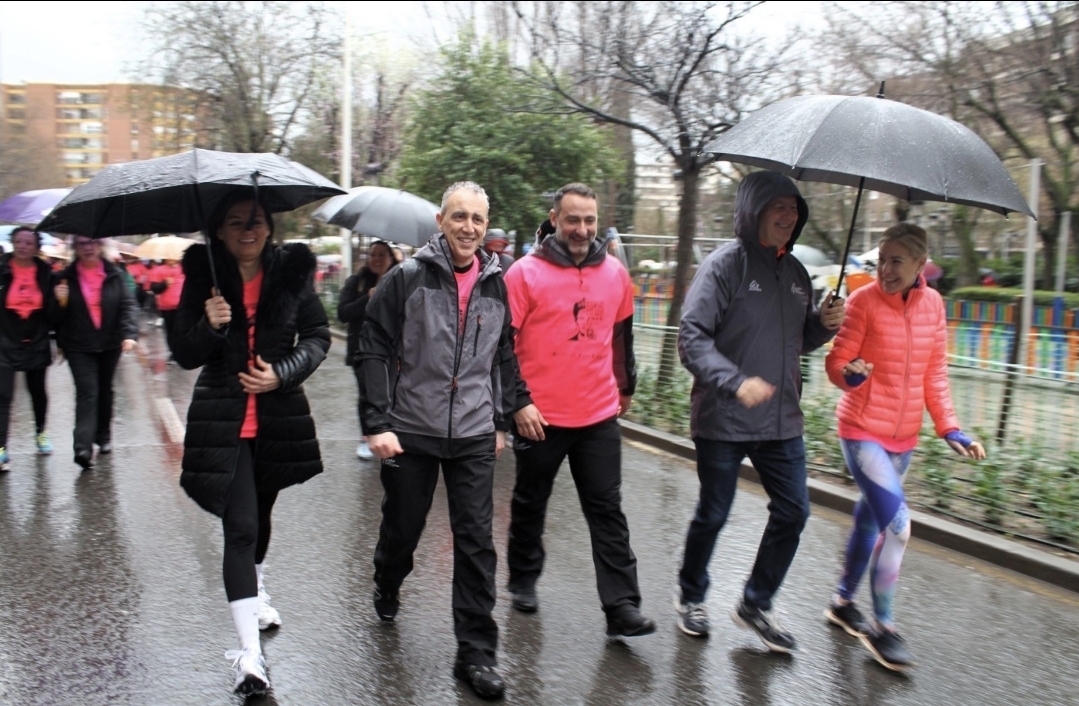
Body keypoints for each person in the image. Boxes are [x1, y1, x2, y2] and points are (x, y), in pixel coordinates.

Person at [358, 181, 524, 700]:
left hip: (473, 432)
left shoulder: (498, 284)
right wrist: (377, 421)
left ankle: (475, 655)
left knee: (476, 544)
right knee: (402, 530)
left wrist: (500, 421)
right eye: (459, 217)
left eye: (477, 218)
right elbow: (373, 349)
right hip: (412, 428)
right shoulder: (406, 279)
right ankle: (388, 579)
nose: (469, 227)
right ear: (441, 221)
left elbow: (502, 357)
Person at [674, 170, 845, 652]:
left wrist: (823, 324)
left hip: (781, 421)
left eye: (795, 209)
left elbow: (796, 342)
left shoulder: (795, 274)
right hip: (724, 419)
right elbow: (692, 339)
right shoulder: (724, 266)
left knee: (794, 512)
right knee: (714, 512)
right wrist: (735, 381)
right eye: (779, 207)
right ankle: (691, 596)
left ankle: (755, 603)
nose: (789, 216)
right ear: (754, 212)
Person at [171, 194, 329, 697]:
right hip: (224, 418)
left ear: (269, 228)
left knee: (260, 517)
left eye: (255, 221)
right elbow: (184, 354)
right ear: (218, 232)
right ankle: (249, 658)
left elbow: (319, 336)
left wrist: (280, 374)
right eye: (235, 223)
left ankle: (256, 587)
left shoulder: (291, 272)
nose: (247, 230)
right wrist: (210, 324)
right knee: (239, 528)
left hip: (277, 418)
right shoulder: (204, 278)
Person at [823, 223, 986, 671]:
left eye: (896, 260)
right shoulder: (863, 302)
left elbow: (935, 375)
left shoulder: (934, 306)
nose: (885, 269)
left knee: (870, 521)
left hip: (904, 438)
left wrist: (951, 428)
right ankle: (884, 628)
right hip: (861, 431)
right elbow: (836, 362)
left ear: (920, 264)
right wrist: (850, 374)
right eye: (881, 259)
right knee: (898, 526)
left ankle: (841, 602)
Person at [504, 183, 656, 638]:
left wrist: (624, 388)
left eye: (589, 220)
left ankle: (622, 605)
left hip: (597, 414)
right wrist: (518, 403)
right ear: (554, 219)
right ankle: (523, 578)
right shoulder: (523, 274)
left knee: (608, 510)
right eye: (572, 219)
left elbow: (622, 338)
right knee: (531, 503)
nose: (582, 229)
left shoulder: (615, 274)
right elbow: (501, 347)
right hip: (540, 417)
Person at [53, 235, 139, 470]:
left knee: (105, 391)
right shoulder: (64, 278)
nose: (88, 247)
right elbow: (54, 318)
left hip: (110, 343)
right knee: (87, 392)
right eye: (82, 243)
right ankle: (82, 447)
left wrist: (129, 334)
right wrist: (59, 302)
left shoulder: (115, 275)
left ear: (100, 245)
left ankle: (103, 435)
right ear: (75, 248)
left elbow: (128, 305)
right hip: (78, 345)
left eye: (92, 242)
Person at [0, 227, 62, 470]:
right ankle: (2, 448)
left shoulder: (47, 274)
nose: (23, 246)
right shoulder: (2, 270)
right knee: (3, 396)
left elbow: (55, 315)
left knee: (37, 393)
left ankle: (40, 432)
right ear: (12, 243)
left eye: (28, 242)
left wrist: (61, 299)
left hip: (36, 341)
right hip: (5, 341)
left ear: (37, 247)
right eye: (18, 241)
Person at [337, 240, 397, 460]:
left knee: (392, 393)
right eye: (373, 254)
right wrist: (368, 297)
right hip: (361, 349)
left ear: (391, 258)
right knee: (367, 393)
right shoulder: (357, 281)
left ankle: (388, 432)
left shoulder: (399, 280)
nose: (377, 259)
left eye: (382, 254)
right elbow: (343, 313)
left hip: (392, 348)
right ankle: (366, 437)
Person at [149, 257, 184, 352]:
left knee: (183, 329)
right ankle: (173, 351)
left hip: (182, 306)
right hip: (167, 307)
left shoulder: (183, 268)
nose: (172, 259)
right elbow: (154, 289)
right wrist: (164, 283)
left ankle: (182, 350)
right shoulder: (158, 270)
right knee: (171, 330)